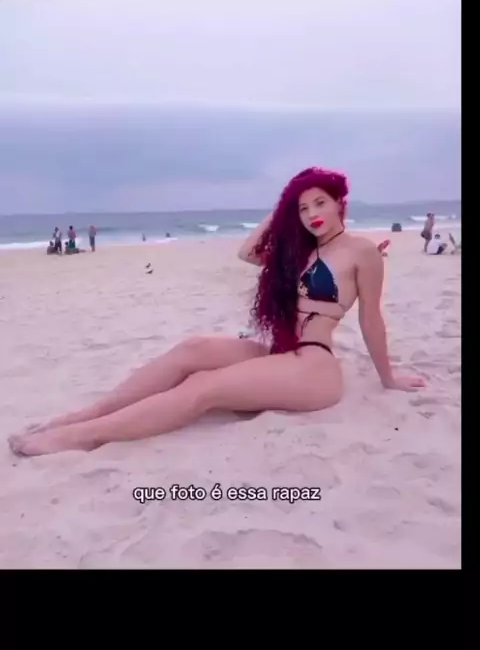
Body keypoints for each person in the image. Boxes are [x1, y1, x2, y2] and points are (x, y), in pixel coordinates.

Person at [8, 166, 425, 457]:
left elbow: (371, 319)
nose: (312, 214)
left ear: (339, 204)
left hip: (315, 366)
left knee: (205, 386)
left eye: (320, 203)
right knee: (193, 349)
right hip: (282, 351)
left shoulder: (361, 252)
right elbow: (247, 252)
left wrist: (388, 378)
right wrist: (282, 209)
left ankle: (85, 436)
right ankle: (90, 414)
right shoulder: (300, 252)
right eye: (303, 208)